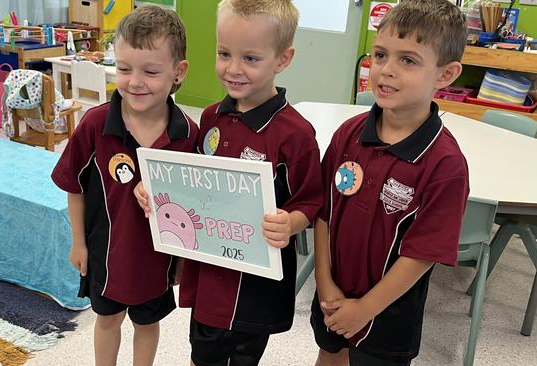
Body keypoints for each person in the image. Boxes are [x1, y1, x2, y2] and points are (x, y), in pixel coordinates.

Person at [134, 0, 322, 365]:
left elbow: (312, 202)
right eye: (224, 53)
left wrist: (292, 221)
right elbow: (191, 180)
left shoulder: (296, 135)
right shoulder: (209, 118)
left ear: (282, 60)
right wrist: (155, 190)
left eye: (250, 58)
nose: (233, 69)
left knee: (242, 357)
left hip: (256, 286)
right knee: (202, 353)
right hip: (208, 274)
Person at [311, 1, 469, 365]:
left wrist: (365, 308)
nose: (386, 71)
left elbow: (422, 254)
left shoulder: (445, 165)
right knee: (329, 355)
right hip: (331, 297)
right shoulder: (348, 134)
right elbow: (324, 214)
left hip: (388, 315)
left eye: (408, 60)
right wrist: (324, 281)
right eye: (381, 54)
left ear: (446, 75)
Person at [51, 5, 198, 366]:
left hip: (157, 259)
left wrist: (182, 259)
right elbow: (74, 186)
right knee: (108, 319)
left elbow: (193, 203)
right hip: (105, 254)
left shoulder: (188, 135)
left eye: (150, 71)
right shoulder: (95, 124)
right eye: (123, 68)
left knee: (148, 323)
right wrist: (78, 243)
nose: (134, 81)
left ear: (178, 73)